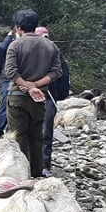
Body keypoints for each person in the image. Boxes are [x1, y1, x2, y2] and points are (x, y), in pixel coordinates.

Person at [4, 10, 63, 178]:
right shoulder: (50, 45)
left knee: (18, 136)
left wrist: (28, 86)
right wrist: (36, 85)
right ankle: (37, 173)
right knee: (36, 136)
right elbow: (56, 72)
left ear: (18, 28)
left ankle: (21, 174)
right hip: (40, 98)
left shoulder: (15, 45)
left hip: (18, 97)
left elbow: (10, 72)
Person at [36, 26, 70, 177]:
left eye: (46, 38)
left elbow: (63, 76)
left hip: (49, 97)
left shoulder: (57, 55)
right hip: (30, 96)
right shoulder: (27, 54)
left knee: (46, 132)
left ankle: (44, 164)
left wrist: (59, 95)